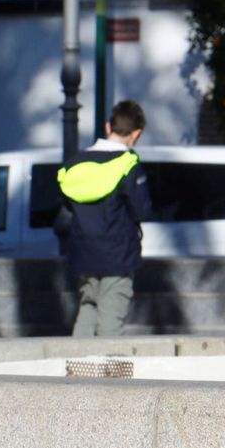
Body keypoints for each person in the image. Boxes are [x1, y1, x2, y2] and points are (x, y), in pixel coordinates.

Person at [55, 99, 152, 337]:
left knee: (88, 308)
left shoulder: (75, 163)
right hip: (117, 255)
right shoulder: (128, 164)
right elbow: (142, 210)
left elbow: (67, 205)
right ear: (136, 134)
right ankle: (108, 363)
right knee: (111, 320)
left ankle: (75, 360)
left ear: (108, 127)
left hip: (83, 252)